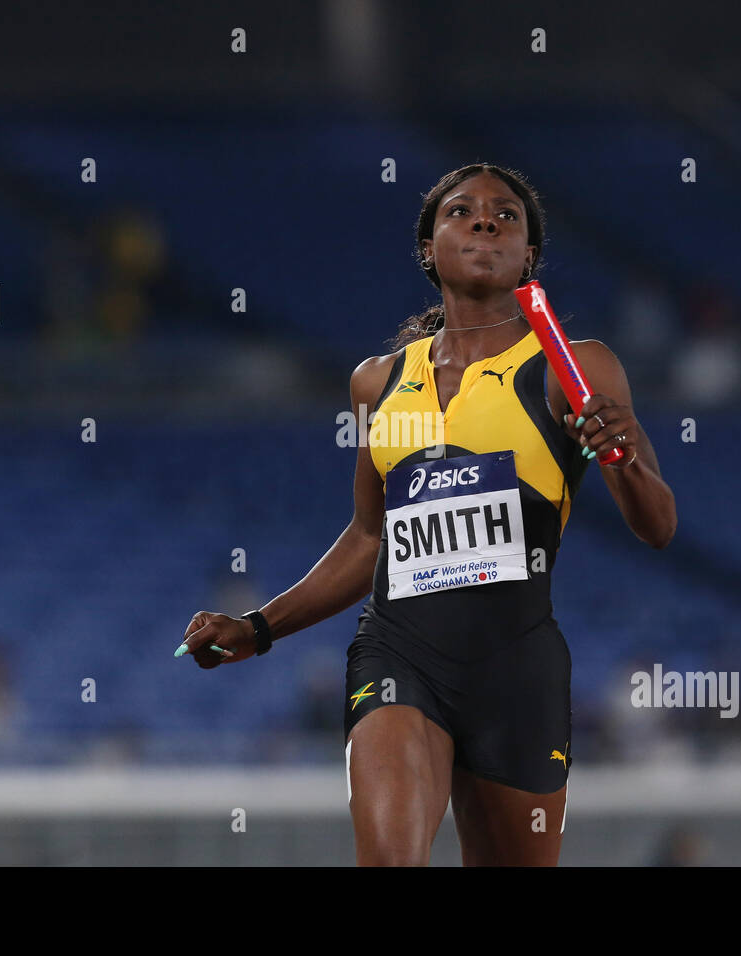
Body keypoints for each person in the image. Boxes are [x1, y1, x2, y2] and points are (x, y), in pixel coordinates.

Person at [179, 164, 676, 865]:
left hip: (518, 669)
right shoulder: (376, 382)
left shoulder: (578, 366)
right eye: (462, 211)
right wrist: (260, 627)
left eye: (506, 216)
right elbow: (368, 535)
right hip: (399, 653)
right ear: (428, 247)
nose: (484, 221)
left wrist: (618, 455)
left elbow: (658, 526)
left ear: (528, 257)